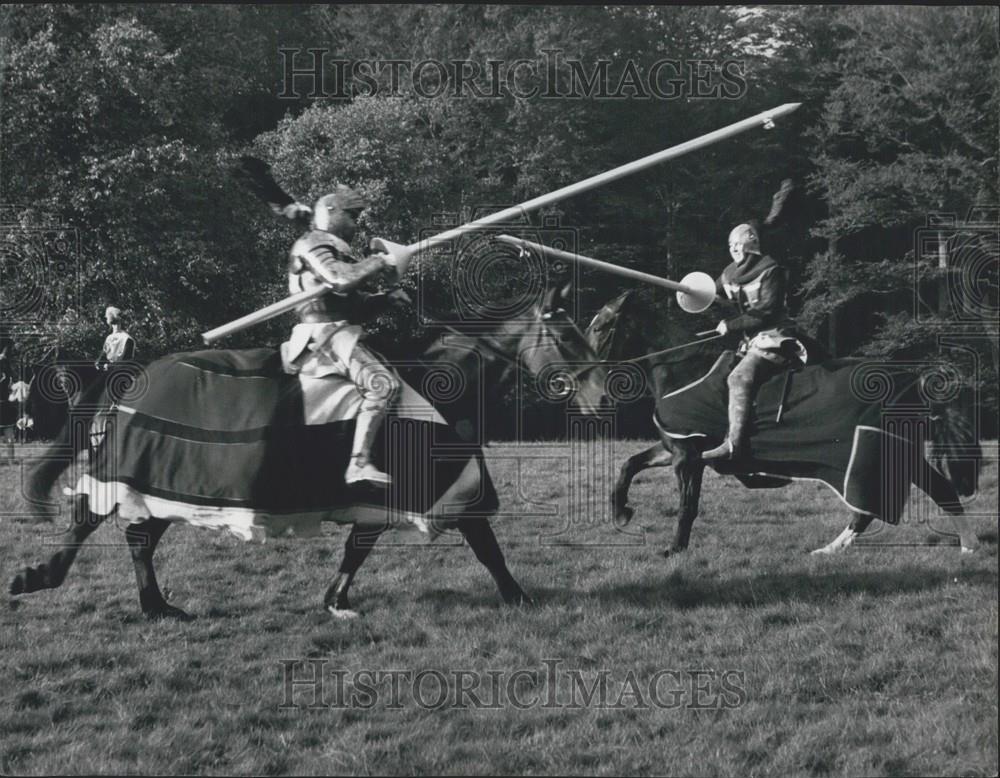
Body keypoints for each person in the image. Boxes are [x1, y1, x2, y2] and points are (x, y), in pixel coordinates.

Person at [278, 185, 402, 487]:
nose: (356, 223)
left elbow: (352, 306)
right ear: (330, 211)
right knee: (383, 386)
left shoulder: (336, 248)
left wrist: (385, 299)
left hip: (340, 329)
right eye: (352, 215)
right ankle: (358, 464)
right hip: (324, 335)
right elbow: (339, 279)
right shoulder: (312, 242)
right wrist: (379, 261)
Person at [701, 181, 809, 461]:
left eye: (739, 245)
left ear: (751, 245)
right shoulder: (729, 273)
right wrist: (690, 291)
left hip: (773, 337)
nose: (734, 249)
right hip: (748, 342)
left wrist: (731, 325)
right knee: (718, 375)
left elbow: (767, 310)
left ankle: (735, 446)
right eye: (731, 246)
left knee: (739, 378)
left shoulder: (770, 270)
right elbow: (710, 292)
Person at [95, 306, 136, 371]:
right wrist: (99, 363)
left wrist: (108, 366)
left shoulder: (127, 339)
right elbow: (102, 357)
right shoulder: (109, 338)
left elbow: (126, 362)